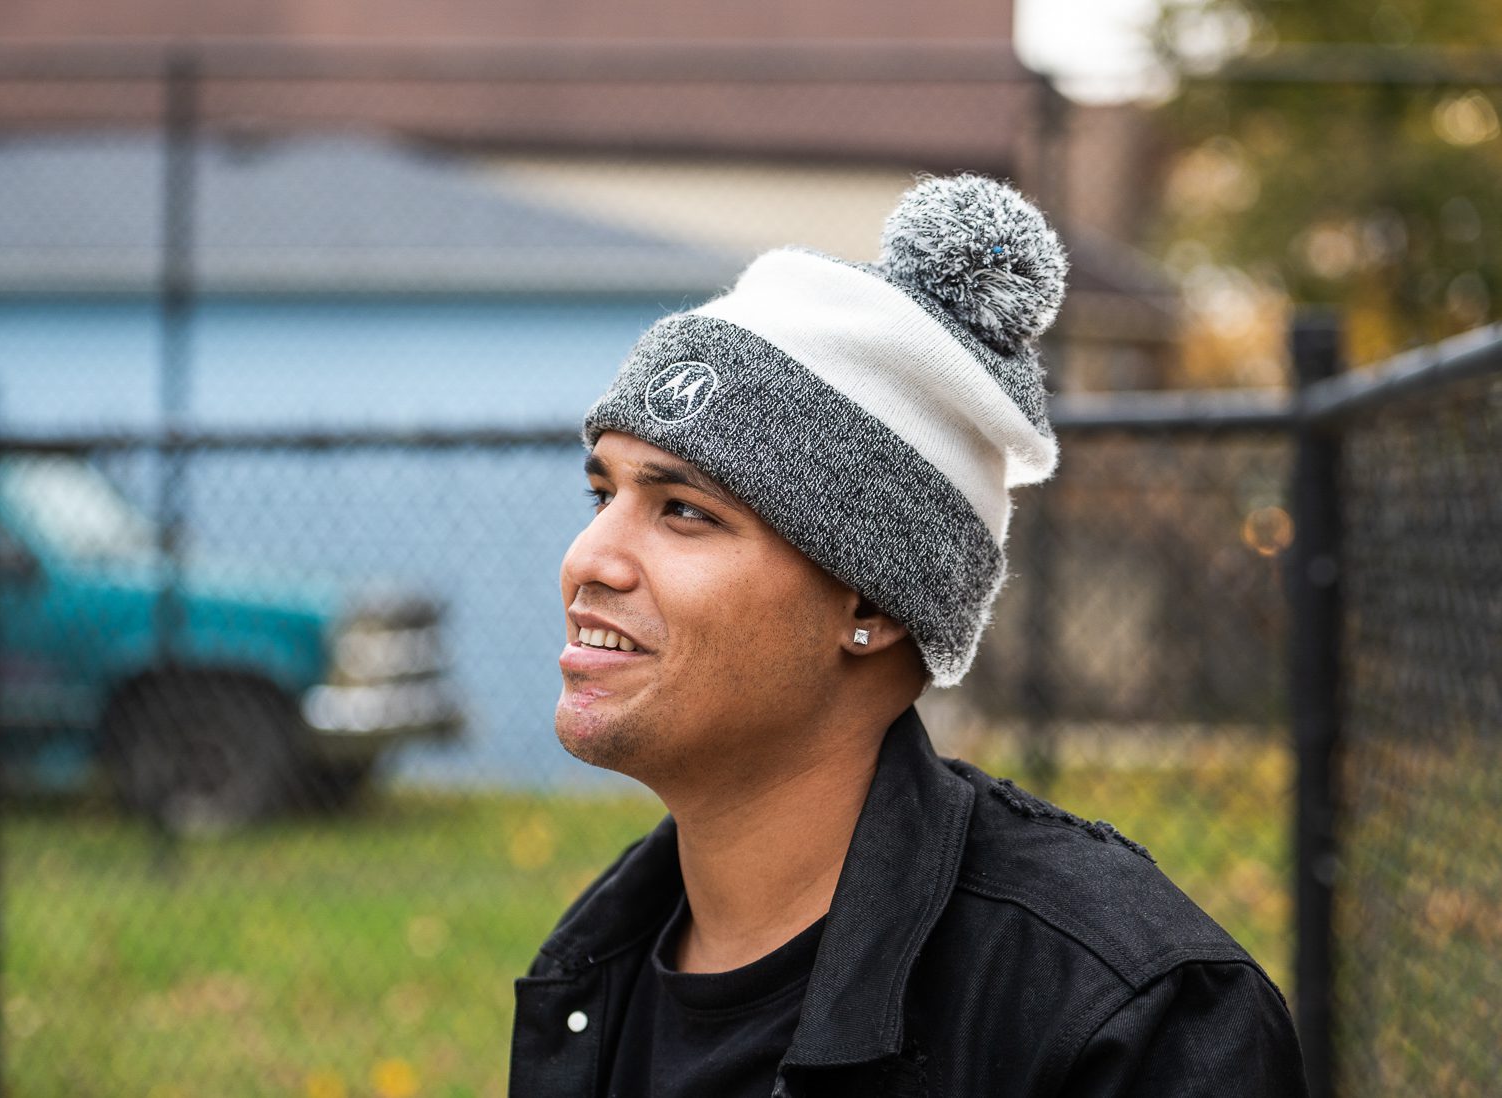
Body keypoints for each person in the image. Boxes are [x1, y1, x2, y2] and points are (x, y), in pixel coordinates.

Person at [509, 175, 1308, 1098]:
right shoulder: (595, 962)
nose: (589, 559)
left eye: (684, 510)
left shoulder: (1123, 1016)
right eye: (603, 495)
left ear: (872, 606)